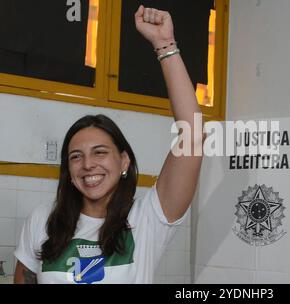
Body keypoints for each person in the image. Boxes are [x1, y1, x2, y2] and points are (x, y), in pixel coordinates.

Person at [13, 5, 203, 284]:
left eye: (100, 152)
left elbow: (193, 134)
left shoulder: (147, 219)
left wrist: (165, 45)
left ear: (124, 161)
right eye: (76, 156)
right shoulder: (43, 221)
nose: (88, 164)